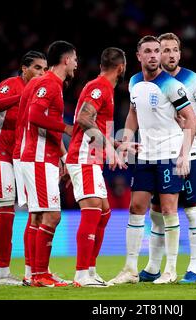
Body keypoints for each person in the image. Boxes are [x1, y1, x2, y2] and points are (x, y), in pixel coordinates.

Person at [109, 35, 196, 285]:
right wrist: (126, 139)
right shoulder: (135, 82)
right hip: (145, 156)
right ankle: (130, 269)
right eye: (147, 51)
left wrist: (184, 154)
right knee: (136, 208)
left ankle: (170, 270)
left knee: (169, 210)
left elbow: (190, 118)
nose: (153, 55)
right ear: (139, 56)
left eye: (156, 51)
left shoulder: (171, 85)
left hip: (169, 155)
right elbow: (133, 114)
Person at [138, 33, 196, 284]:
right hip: (159, 155)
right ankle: (152, 267)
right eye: (165, 50)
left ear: (180, 54)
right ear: (156, 54)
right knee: (156, 212)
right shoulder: (150, 82)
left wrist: (188, 123)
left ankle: (193, 269)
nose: (170, 55)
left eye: (175, 50)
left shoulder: (193, 80)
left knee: (192, 210)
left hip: (190, 153)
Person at [0, 51, 47, 287]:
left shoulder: (39, 95)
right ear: (24, 69)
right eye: (37, 68)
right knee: (5, 210)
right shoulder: (11, 84)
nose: (41, 73)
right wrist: (21, 96)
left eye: (44, 69)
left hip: (13, 157)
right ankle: (1, 271)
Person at [66, 47, 134, 287]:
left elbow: (92, 124)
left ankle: (91, 270)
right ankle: (81, 274)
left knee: (104, 211)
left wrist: (114, 143)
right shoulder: (100, 87)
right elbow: (84, 120)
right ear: (121, 68)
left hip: (91, 158)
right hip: (83, 158)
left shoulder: (102, 87)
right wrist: (110, 149)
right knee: (94, 208)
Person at [20, 40, 77, 287]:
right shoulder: (49, 83)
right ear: (65, 60)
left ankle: (34, 273)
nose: (76, 64)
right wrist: (67, 128)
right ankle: (40, 275)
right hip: (37, 158)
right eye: (74, 59)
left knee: (37, 217)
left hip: (41, 157)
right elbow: (34, 115)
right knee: (52, 216)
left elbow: (42, 120)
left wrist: (63, 155)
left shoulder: (51, 84)